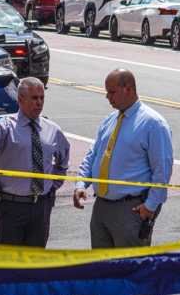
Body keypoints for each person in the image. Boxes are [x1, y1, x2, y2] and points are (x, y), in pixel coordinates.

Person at [74, 69, 173, 247]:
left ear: (128, 89)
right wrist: (81, 183)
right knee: (100, 267)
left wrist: (150, 206)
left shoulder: (153, 124)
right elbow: (93, 154)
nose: (107, 97)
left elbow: (162, 170)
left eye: (111, 92)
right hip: (101, 207)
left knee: (128, 269)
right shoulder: (110, 120)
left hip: (131, 209)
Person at [0, 77, 70, 246]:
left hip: (41, 206)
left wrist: (52, 185)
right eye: (34, 98)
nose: (39, 102)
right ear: (20, 99)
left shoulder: (52, 129)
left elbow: (63, 160)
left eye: (42, 98)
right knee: (11, 263)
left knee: (36, 259)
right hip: (11, 206)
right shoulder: (6, 126)